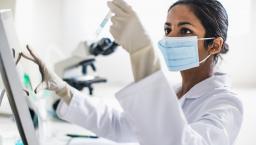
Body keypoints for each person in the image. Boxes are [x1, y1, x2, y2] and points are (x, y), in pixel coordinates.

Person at [19, 0, 243, 144]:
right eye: (167, 29)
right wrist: (64, 90)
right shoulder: (177, 91)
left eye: (184, 30)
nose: (171, 38)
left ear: (214, 45)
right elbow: (120, 126)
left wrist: (142, 54)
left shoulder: (226, 104)